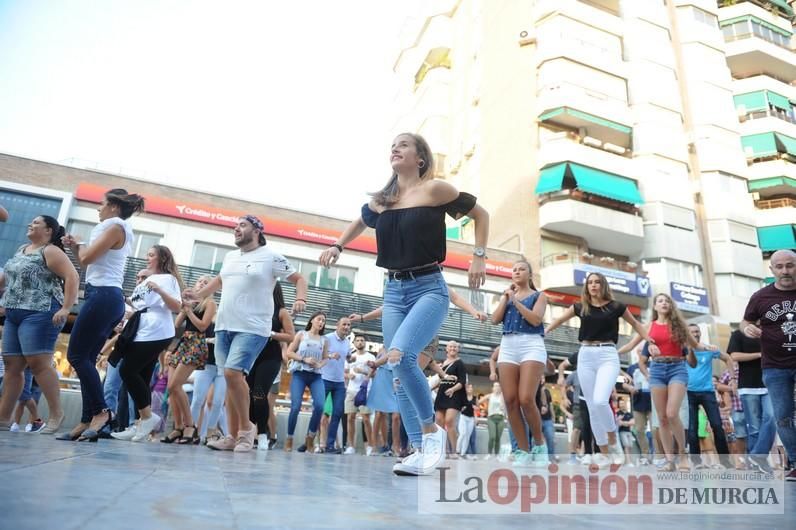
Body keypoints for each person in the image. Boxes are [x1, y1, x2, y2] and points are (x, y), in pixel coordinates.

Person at [320, 132, 489, 476]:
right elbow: (360, 220)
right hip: (394, 292)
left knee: (400, 355)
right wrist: (338, 246)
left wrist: (479, 257)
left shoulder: (435, 190)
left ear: (420, 158)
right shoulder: (384, 200)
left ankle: (431, 434)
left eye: (403, 145)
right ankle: (419, 449)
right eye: (392, 145)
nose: (395, 148)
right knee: (398, 372)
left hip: (429, 287)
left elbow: (481, 214)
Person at [183, 215, 307, 453]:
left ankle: (247, 429)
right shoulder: (230, 257)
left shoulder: (271, 256)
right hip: (224, 327)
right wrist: (197, 296)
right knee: (231, 381)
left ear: (257, 230)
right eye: (235, 225)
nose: (236, 228)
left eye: (242, 225)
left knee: (232, 373)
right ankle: (232, 435)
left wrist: (300, 298)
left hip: (253, 328)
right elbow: (219, 281)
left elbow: (299, 278)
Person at [59, 188, 144, 441]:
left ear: (115, 207)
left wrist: (79, 245)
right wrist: (76, 247)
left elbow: (86, 256)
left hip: (104, 297)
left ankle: (101, 412)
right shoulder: (114, 228)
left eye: (102, 204)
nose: (99, 208)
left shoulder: (115, 228)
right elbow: (85, 261)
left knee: (75, 354)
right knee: (85, 357)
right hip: (105, 297)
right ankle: (87, 419)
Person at [547, 272, 652, 467]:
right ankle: (604, 454)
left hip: (608, 354)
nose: (593, 285)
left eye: (597, 282)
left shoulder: (616, 306)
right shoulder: (580, 307)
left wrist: (649, 340)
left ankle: (612, 438)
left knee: (600, 400)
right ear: (586, 287)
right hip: (586, 354)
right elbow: (560, 320)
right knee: (592, 407)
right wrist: (543, 332)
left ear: (603, 285)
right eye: (590, 283)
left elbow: (636, 324)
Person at [0, 215, 78, 434]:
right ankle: (3, 418)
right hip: (14, 313)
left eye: (36, 223)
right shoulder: (22, 249)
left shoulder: (50, 251)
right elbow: (7, 278)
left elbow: (72, 276)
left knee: (38, 363)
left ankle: (56, 413)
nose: (30, 224)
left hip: (41, 312)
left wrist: (66, 307)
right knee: (12, 366)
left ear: (49, 231)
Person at [624, 294, 709, 472]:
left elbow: (696, 345)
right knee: (661, 418)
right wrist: (609, 352)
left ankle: (683, 456)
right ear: (655, 306)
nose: (664, 303)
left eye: (667, 301)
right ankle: (670, 461)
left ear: (671, 306)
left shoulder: (679, 326)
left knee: (672, 414)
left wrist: (708, 347)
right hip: (657, 370)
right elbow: (631, 345)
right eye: (660, 301)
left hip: (677, 368)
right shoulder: (649, 327)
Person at [111, 245, 182, 443]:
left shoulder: (168, 279)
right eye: (147, 254)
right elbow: (139, 304)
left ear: (162, 259)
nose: (147, 258)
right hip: (140, 328)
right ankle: (141, 423)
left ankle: (148, 418)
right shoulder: (147, 279)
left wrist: (159, 290)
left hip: (157, 330)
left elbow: (176, 306)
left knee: (127, 370)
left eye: (151, 255)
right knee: (140, 376)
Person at [740, 249, 796, 480]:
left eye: (790, 265)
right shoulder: (760, 297)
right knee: (782, 416)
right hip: (774, 366)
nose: (785, 271)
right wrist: (747, 328)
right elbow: (746, 321)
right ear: (771, 269)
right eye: (780, 266)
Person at [490, 259, 548, 466]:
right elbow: (495, 320)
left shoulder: (540, 296)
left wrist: (515, 301)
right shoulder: (507, 296)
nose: (516, 272)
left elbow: (535, 320)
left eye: (521, 269)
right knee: (510, 401)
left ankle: (540, 445)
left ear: (530, 275)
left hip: (531, 344)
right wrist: (505, 299)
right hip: (508, 344)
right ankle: (523, 450)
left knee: (526, 399)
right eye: (514, 269)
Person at [163, 275, 216, 444]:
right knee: (171, 389)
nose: (202, 283)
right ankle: (178, 428)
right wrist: (184, 306)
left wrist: (190, 311)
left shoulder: (210, 303)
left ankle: (190, 426)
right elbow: (177, 324)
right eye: (200, 281)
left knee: (175, 385)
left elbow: (202, 326)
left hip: (196, 343)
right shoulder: (190, 303)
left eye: (206, 283)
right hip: (183, 343)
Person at [248, 282, 294, 446]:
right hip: (252, 356)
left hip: (270, 358)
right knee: (248, 395)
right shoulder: (255, 308)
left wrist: (272, 334)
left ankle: (262, 435)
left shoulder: (281, 312)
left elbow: (290, 336)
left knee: (259, 395)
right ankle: (249, 433)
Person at [685, 324, 734, 468]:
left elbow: (728, 359)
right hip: (689, 393)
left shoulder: (709, 349)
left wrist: (732, 379)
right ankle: (696, 462)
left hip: (707, 392)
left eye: (697, 331)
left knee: (717, 426)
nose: (695, 334)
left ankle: (725, 462)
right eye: (692, 331)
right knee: (692, 428)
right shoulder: (684, 350)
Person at [727, 326, 773, 472]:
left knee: (772, 418)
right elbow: (734, 356)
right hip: (748, 385)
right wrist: (760, 354)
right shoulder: (738, 334)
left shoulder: (772, 331)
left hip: (771, 382)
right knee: (754, 427)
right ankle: (757, 463)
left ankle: (756, 456)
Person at [284, 311, 329, 453]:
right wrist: (304, 359)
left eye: (323, 321)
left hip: (316, 376)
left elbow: (326, 358)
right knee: (296, 406)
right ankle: (289, 438)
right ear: (312, 320)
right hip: (300, 374)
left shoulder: (324, 340)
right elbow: (289, 352)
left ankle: (310, 438)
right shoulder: (301, 334)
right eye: (319, 319)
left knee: (320, 406)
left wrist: (320, 365)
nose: (321, 322)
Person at [320, 317, 352, 453]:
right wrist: (331, 355)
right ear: (337, 325)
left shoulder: (347, 342)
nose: (346, 327)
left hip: (339, 382)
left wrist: (352, 358)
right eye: (344, 324)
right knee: (319, 412)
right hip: (324, 379)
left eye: (348, 325)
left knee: (338, 412)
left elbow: (348, 356)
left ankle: (330, 445)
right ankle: (314, 443)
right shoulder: (327, 338)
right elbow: (319, 354)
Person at [433, 341, 467, 456]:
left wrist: (453, 389)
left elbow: (462, 381)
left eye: (455, 347)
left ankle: (454, 451)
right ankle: (444, 450)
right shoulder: (443, 364)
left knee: (449, 421)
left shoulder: (460, 363)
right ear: (446, 349)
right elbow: (440, 379)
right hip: (441, 394)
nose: (453, 348)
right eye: (451, 346)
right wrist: (431, 388)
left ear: (458, 349)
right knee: (439, 421)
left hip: (454, 395)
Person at [346, 335, 376, 455]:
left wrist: (363, 371)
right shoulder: (350, 356)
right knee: (350, 418)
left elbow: (374, 374)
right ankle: (351, 446)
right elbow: (345, 372)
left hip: (365, 390)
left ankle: (370, 446)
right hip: (351, 390)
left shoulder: (370, 357)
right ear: (354, 343)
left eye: (362, 340)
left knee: (366, 419)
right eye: (357, 340)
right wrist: (349, 376)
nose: (359, 342)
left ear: (365, 343)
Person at [622, 358, 652, 465]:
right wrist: (630, 388)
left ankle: (660, 455)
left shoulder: (654, 364)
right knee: (639, 430)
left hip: (653, 402)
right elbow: (624, 384)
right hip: (638, 403)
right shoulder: (631, 368)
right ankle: (645, 455)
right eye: (639, 352)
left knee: (656, 430)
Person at [479, 382, 506, 457]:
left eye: (498, 386)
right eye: (495, 386)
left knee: (498, 438)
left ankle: (497, 455)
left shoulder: (502, 396)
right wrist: (474, 406)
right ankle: (489, 453)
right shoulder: (490, 396)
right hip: (491, 418)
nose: (497, 387)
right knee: (492, 437)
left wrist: (503, 403)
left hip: (500, 418)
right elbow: (478, 402)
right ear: (493, 388)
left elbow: (505, 406)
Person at [457, 384, 477, 456]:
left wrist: (475, 417)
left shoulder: (474, 398)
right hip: (463, 417)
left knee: (467, 436)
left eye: (471, 388)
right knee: (462, 434)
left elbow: (476, 408)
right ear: (466, 389)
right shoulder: (463, 397)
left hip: (471, 418)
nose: (470, 389)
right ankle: (457, 450)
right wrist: (462, 408)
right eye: (469, 388)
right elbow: (459, 407)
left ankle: (463, 453)